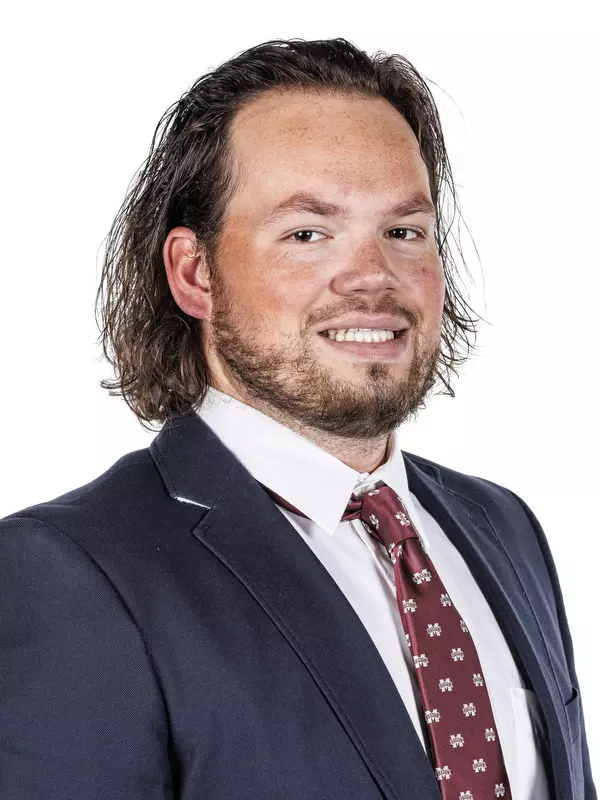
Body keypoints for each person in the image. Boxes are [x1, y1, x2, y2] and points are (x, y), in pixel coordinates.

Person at [0, 37, 594, 800]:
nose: (374, 277)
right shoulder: (65, 575)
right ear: (194, 272)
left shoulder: (504, 528)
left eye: (404, 230)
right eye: (308, 234)